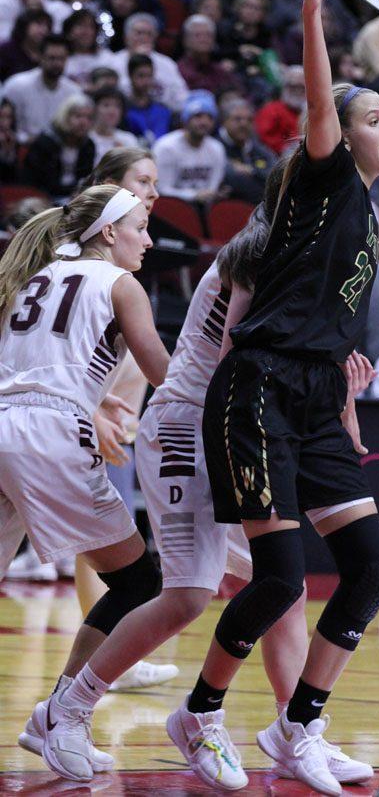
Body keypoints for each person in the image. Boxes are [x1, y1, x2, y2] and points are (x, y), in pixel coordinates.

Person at [30, 161, 377, 787]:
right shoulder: (260, 249)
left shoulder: (314, 250)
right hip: (197, 422)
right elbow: (230, 365)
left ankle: (298, 733)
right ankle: (71, 711)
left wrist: (344, 405)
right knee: (188, 592)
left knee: (285, 587)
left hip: (239, 420)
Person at [157, 0, 379, 795]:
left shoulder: (366, 221)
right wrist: (311, 13)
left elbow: (336, 331)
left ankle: (298, 727)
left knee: (372, 567)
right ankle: (199, 713)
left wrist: (347, 403)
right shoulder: (324, 178)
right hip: (254, 391)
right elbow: (322, 106)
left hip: (314, 398)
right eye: (376, 119)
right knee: (282, 577)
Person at [0, 181, 172, 778]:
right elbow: (164, 377)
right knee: (138, 582)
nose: (148, 241)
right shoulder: (120, 284)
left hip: (3, 423)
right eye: (141, 228)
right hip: (50, 432)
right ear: (108, 233)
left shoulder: (32, 275)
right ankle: (63, 713)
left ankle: (53, 716)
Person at [2, 33, 81, 143]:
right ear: (40, 57)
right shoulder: (16, 86)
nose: (57, 63)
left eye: (61, 59)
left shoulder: (74, 92)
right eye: (52, 58)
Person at [153, 89, 226, 204]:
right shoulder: (166, 147)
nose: (204, 122)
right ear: (185, 119)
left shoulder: (217, 149)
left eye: (209, 117)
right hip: (170, 207)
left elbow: (212, 190)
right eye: (198, 116)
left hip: (204, 208)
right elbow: (161, 189)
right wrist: (194, 195)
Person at [110, 12, 189, 112]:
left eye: (149, 34)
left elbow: (181, 98)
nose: (144, 38)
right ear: (126, 37)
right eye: (139, 33)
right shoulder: (112, 62)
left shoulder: (167, 64)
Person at [22, 92, 96, 200]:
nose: (83, 122)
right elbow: (42, 182)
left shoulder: (88, 145)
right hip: (43, 197)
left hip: (75, 197)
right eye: (78, 116)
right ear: (65, 117)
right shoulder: (45, 142)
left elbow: (85, 178)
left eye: (88, 118)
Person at [218, 98, 276, 204]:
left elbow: (275, 175)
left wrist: (252, 171)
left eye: (249, 120)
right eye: (237, 119)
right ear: (224, 121)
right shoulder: (214, 146)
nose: (244, 124)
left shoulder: (259, 149)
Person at [177, 13, 242, 94]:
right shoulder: (177, 72)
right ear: (185, 40)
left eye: (208, 35)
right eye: (197, 35)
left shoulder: (221, 72)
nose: (203, 39)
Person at [254, 65, 305, 155]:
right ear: (284, 87)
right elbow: (265, 138)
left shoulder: (310, 112)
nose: (298, 90)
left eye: (302, 87)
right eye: (293, 86)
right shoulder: (270, 110)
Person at [123, 53, 171, 145]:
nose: (146, 81)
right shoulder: (122, 111)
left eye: (149, 76)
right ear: (130, 75)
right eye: (141, 76)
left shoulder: (163, 110)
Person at [62, 8, 115, 89]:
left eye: (90, 27)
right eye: (80, 25)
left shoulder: (107, 58)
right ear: (69, 31)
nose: (86, 32)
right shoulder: (60, 58)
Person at [0, 7, 52, 82]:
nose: (44, 30)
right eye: (39, 23)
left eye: (47, 26)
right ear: (25, 25)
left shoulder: (48, 51)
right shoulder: (6, 50)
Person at [90, 86, 137, 157]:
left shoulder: (128, 139)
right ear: (95, 109)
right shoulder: (87, 139)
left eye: (117, 106)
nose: (112, 111)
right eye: (106, 105)